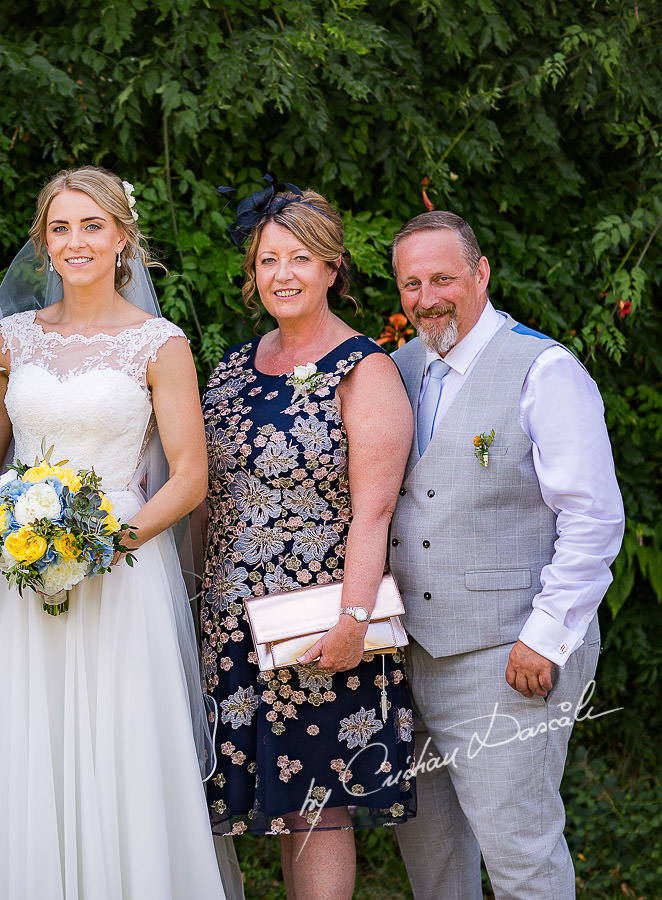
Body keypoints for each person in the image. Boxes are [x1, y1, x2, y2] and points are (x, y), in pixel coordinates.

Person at [0, 166, 239, 899]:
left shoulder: (159, 344)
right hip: (24, 575)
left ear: (121, 238)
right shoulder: (10, 339)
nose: (75, 241)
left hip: (122, 571)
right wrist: (10, 527)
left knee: (123, 753)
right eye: (60, 228)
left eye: (91, 226)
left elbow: (188, 477)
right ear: (43, 245)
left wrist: (114, 540)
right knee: (29, 750)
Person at [388, 211, 625, 900]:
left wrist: (545, 639)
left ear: (481, 272)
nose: (427, 296)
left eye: (442, 277)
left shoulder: (543, 368)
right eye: (411, 283)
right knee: (433, 865)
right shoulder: (396, 370)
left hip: (509, 653)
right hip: (409, 657)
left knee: (520, 855)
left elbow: (592, 517)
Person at [201, 185, 417, 899]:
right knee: (256, 802)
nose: (282, 274)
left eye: (300, 258)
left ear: (332, 269)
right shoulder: (231, 370)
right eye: (268, 259)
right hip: (232, 623)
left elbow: (374, 513)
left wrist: (353, 621)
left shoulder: (365, 370)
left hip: (317, 621)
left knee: (315, 811)